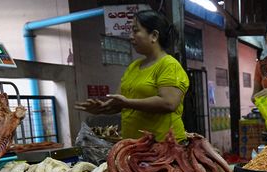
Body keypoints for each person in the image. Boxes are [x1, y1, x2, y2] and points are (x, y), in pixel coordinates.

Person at [75, 10, 189, 141]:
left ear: (154, 35)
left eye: (136, 31)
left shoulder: (169, 65)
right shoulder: (133, 67)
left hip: (163, 147)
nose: (131, 36)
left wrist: (128, 103)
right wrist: (101, 108)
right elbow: (120, 103)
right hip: (134, 146)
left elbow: (168, 103)